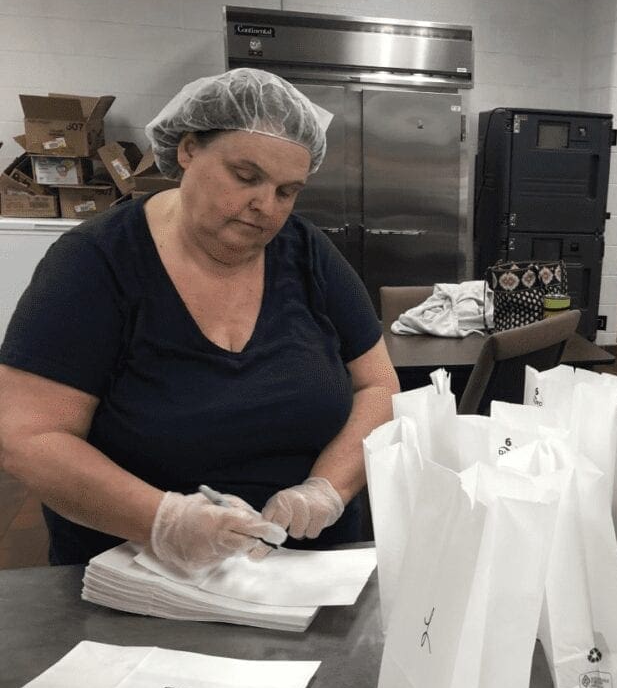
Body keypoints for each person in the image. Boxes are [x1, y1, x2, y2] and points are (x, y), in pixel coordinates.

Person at [0, 68, 400, 571]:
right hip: (142, 572)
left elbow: (379, 386)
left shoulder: (308, 255)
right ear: (188, 150)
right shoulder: (95, 264)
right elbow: (29, 437)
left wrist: (326, 490)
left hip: (311, 574)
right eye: (247, 176)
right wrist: (164, 521)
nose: (265, 206)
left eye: (287, 190)